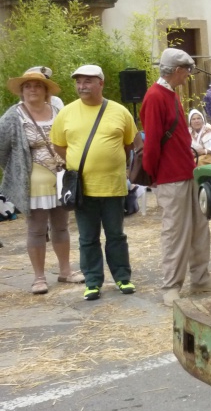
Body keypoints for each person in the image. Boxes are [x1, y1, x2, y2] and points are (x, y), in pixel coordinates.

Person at [140, 48, 211, 307]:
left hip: (186, 171)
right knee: (175, 231)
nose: (188, 76)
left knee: (199, 227)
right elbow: (152, 141)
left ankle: (199, 278)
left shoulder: (168, 94)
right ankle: (171, 285)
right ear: (177, 70)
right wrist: (152, 173)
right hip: (170, 176)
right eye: (187, 70)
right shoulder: (155, 96)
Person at [50, 65, 136, 301]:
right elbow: (58, 144)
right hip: (82, 188)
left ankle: (122, 278)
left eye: (87, 81)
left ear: (101, 83)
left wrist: (111, 161)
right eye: (78, 82)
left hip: (113, 185)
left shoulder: (119, 112)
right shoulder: (66, 113)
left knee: (116, 235)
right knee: (88, 237)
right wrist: (78, 163)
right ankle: (92, 281)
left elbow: (130, 144)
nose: (82, 86)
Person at [0, 69, 82, 294]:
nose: (32, 89)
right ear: (21, 91)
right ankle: (39, 277)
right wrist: (17, 170)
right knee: (36, 229)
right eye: (27, 86)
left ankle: (65, 271)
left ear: (46, 91)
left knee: (61, 226)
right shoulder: (13, 116)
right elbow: (1, 148)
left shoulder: (58, 110)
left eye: (37, 86)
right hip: (34, 181)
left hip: (60, 177)